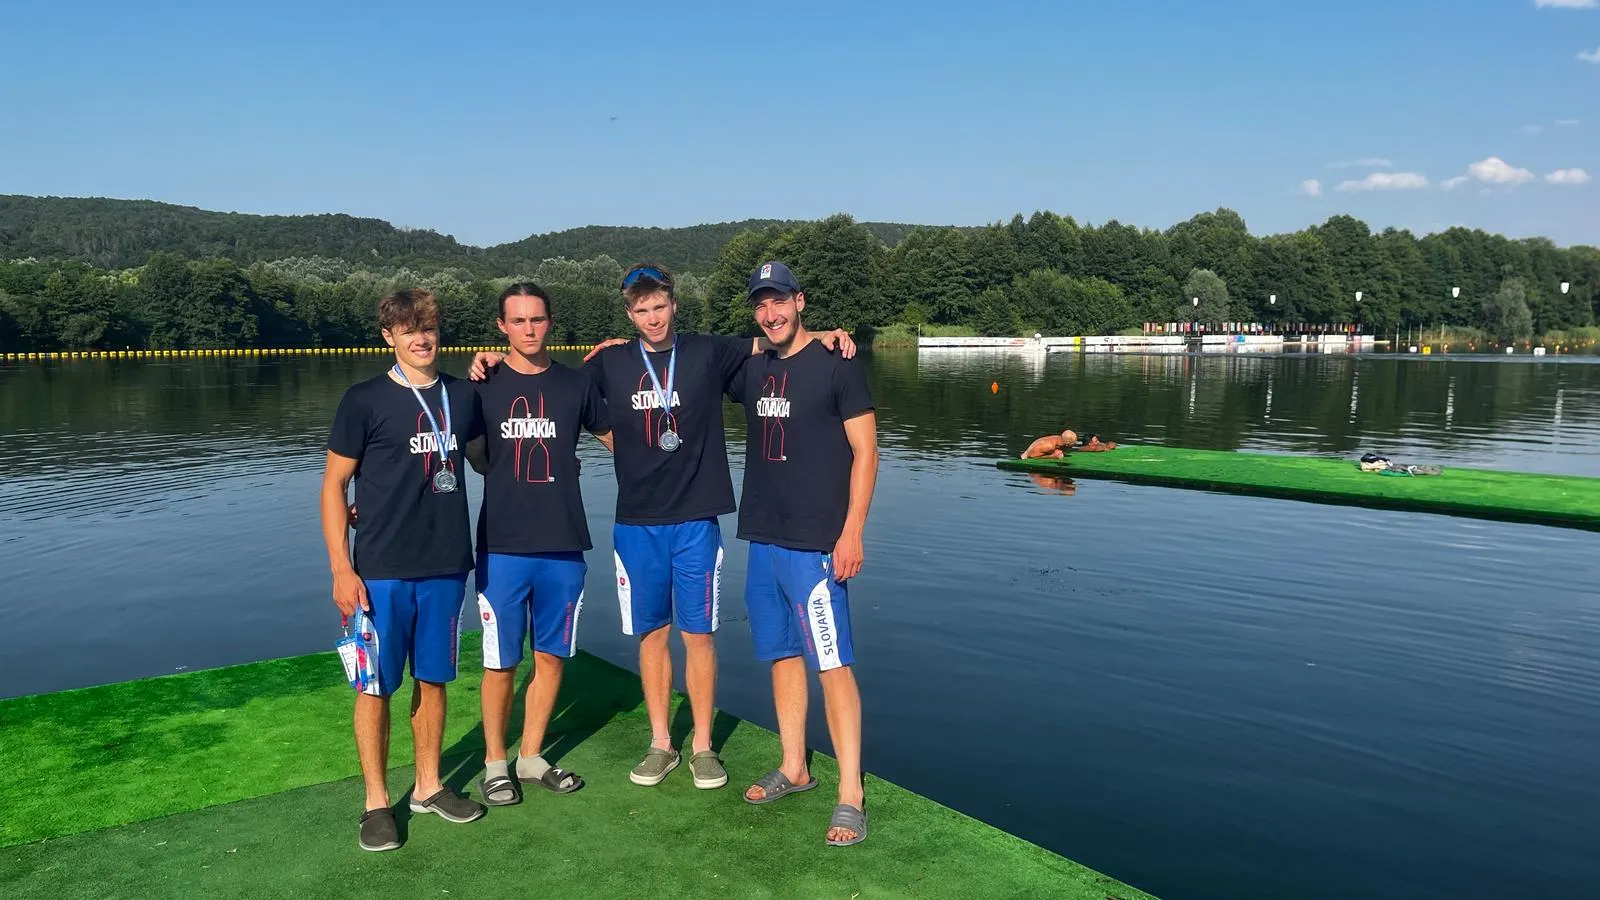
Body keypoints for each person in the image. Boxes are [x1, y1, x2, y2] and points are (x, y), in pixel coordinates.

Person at [468, 263, 853, 791]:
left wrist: (828, 336)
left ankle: (701, 747)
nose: (652, 317)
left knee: (699, 637)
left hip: (697, 520)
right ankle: (660, 744)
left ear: (674, 305)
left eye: (659, 306)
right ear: (629, 313)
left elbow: (776, 343)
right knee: (652, 636)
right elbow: (547, 387)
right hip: (637, 523)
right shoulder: (609, 363)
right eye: (641, 309)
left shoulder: (708, 352)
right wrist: (488, 362)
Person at [319, 288, 487, 853]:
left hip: (444, 565)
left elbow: (502, 446)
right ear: (388, 337)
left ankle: (429, 786)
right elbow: (334, 487)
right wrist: (342, 568)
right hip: (380, 570)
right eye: (408, 330)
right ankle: (374, 802)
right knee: (375, 686)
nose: (421, 339)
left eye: (429, 329)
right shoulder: (363, 400)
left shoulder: (463, 397)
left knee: (434, 679)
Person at [730, 261, 878, 847]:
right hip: (762, 539)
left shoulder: (837, 366)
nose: (771, 314)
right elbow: (684, 355)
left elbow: (866, 452)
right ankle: (795, 765)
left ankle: (850, 793)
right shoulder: (751, 367)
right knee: (782, 655)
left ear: (800, 300)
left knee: (833, 664)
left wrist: (853, 532)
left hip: (817, 543)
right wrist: (620, 342)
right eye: (761, 305)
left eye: (779, 302)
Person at [463, 283, 615, 807]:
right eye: (518, 321)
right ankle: (495, 763)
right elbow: (448, 451)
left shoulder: (576, 385)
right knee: (500, 662)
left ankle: (530, 757)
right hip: (502, 545)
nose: (529, 329)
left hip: (564, 544)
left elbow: (627, 444)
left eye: (538, 319)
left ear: (551, 322)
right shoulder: (479, 386)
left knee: (551, 657)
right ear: (501, 326)